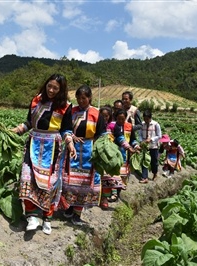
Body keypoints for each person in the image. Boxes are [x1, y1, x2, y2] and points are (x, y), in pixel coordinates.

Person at [12, 74, 76, 235]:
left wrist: (70, 143)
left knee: (50, 183)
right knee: (27, 178)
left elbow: (66, 129)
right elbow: (28, 123)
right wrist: (16, 130)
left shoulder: (66, 106)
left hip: (52, 147)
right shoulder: (36, 100)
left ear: (61, 90)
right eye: (49, 86)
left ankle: (47, 217)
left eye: (56, 88)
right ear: (45, 84)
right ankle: (32, 216)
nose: (51, 90)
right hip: (33, 142)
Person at [61, 85, 106, 225]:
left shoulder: (96, 113)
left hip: (88, 151)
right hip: (71, 149)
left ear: (90, 98)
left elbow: (102, 134)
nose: (81, 101)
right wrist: (71, 136)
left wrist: (100, 150)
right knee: (69, 180)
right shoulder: (71, 111)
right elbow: (64, 128)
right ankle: (69, 207)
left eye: (84, 98)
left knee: (84, 183)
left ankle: (77, 213)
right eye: (79, 98)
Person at [107, 109, 139, 190]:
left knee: (123, 172)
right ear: (116, 118)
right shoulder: (112, 126)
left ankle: (120, 188)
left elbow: (132, 139)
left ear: (125, 118)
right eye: (119, 119)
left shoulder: (129, 126)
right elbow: (117, 138)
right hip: (114, 152)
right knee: (114, 173)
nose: (121, 121)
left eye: (123, 119)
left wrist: (135, 146)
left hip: (125, 153)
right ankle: (114, 191)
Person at [139, 109, 162, 183]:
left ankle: (155, 174)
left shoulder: (156, 124)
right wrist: (141, 140)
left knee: (154, 161)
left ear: (150, 117)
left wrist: (151, 139)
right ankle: (144, 177)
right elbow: (139, 134)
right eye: (144, 119)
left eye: (147, 119)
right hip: (145, 146)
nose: (146, 120)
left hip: (154, 146)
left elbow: (159, 136)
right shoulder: (142, 124)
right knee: (144, 161)